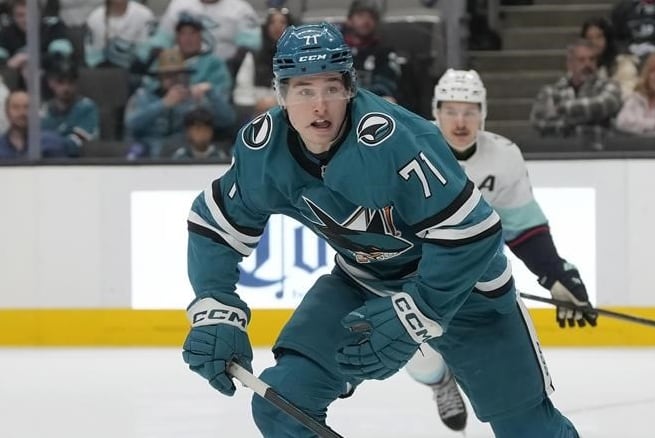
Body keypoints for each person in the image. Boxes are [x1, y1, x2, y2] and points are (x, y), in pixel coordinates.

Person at [181, 22, 592, 438]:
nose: (320, 106)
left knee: (530, 430)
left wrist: (417, 311)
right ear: (281, 93)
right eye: (304, 90)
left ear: (350, 87)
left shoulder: (396, 139)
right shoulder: (263, 149)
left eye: (331, 88)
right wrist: (216, 307)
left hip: (466, 292)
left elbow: (475, 233)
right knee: (283, 405)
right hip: (364, 282)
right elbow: (215, 226)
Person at [404, 68, 596, 432]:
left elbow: (524, 228)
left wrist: (555, 274)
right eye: (451, 111)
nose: (460, 121)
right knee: (421, 359)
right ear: (435, 111)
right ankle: (441, 382)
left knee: (505, 373)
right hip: (419, 278)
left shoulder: (503, 156)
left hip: (482, 281)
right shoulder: (409, 147)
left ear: (483, 113)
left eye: (470, 111)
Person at [529, 39, 622, 150]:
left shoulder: (609, 86)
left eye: (592, 59)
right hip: (560, 153)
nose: (588, 64)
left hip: (598, 152)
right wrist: (588, 118)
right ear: (570, 64)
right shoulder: (551, 91)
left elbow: (606, 104)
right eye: (581, 60)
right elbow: (538, 122)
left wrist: (561, 109)